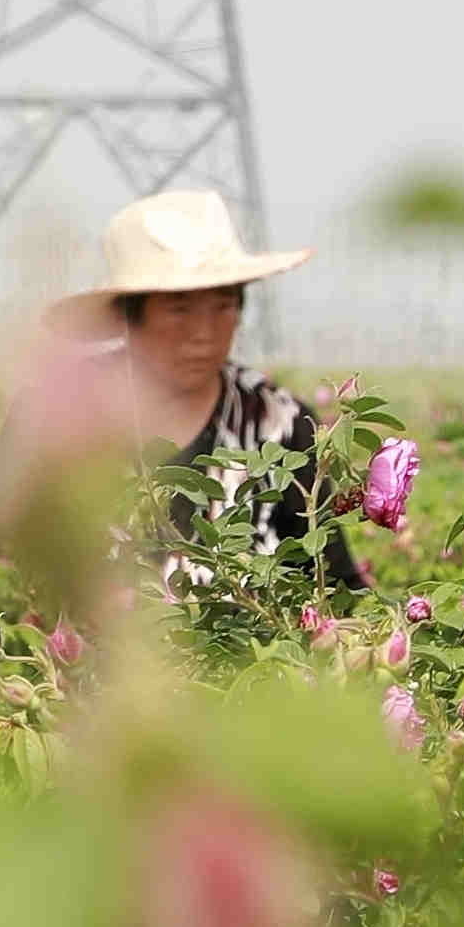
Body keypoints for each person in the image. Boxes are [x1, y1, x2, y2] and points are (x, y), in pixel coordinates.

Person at [70, 183, 358, 610]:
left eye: (223, 306)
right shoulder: (61, 416)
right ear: (129, 316)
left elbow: (334, 588)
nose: (204, 333)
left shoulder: (277, 423)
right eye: (180, 308)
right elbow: (4, 560)